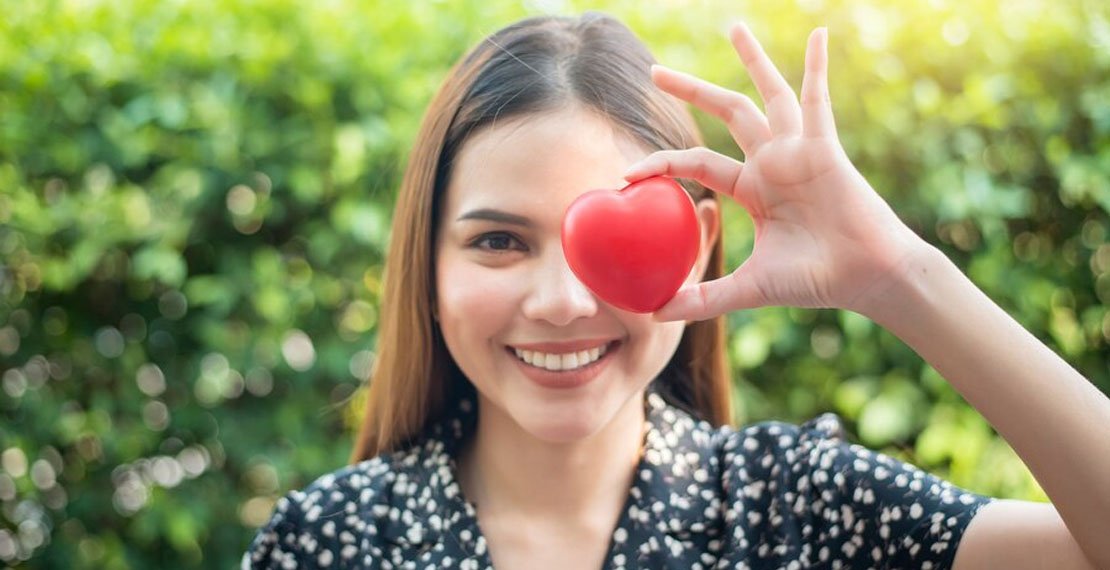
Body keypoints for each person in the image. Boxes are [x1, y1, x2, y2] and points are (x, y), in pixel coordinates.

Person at [242, 12, 1109, 570]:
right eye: (498, 241)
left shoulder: (803, 511)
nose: (560, 301)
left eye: (605, 245)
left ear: (697, 250)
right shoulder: (321, 543)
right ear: (427, 270)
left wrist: (896, 274)